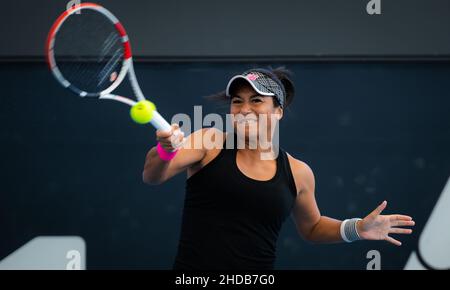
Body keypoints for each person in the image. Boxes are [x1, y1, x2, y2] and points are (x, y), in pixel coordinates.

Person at [142, 67, 415, 270]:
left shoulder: (298, 172)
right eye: (237, 101)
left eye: (256, 100)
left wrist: (357, 229)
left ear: (278, 111)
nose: (244, 108)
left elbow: (313, 227)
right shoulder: (207, 141)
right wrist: (166, 149)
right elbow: (153, 176)